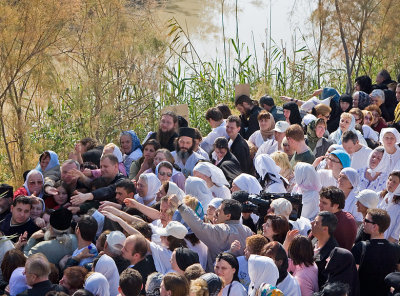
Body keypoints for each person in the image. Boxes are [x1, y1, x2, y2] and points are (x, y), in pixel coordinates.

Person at [170, 196, 253, 271]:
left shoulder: (220, 230)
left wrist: (180, 205)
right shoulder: (247, 231)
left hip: (217, 278)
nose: (216, 212)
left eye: (219, 211)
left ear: (228, 216)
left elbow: (198, 225)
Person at [351, 209, 400, 296]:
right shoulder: (396, 249)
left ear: (375, 227)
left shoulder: (360, 247)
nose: (363, 222)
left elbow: (352, 275)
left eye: (366, 220)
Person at [310, 211, 338, 289]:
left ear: (325, 229)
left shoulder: (333, 253)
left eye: (316, 223)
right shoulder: (313, 241)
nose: (311, 223)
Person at [377, 171, 400, 243]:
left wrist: (383, 247)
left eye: (394, 182)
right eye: (390, 180)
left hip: (386, 245)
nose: (390, 183)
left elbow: (395, 235)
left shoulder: (398, 207)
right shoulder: (380, 196)